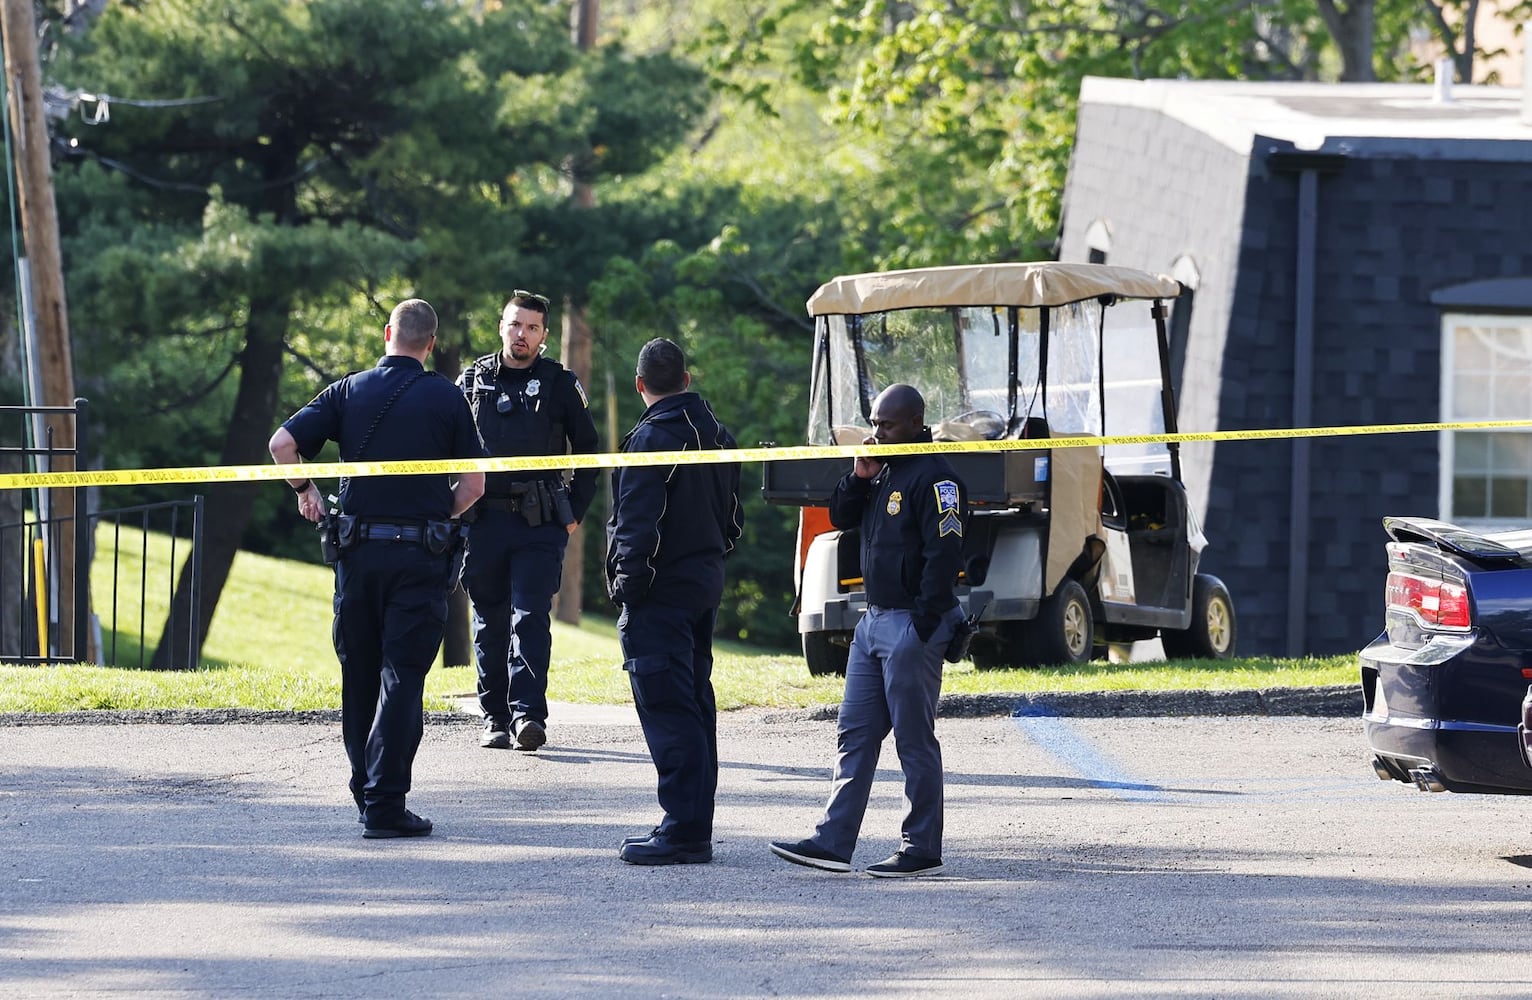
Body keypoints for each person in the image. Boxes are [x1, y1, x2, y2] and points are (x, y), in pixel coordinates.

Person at [269, 298, 486, 839]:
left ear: (388, 333)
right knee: (402, 675)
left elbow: (282, 444)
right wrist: (439, 514)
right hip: (420, 558)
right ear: (431, 344)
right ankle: (386, 804)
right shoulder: (449, 398)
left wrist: (306, 490)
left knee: (360, 672)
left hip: (358, 556)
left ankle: (364, 789)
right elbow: (476, 485)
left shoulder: (348, 390)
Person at [769, 383, 967, 877]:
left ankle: (921, 848)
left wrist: (923, 626)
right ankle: (833, 841)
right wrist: (858, 478)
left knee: (913, 740)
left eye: (887, 425)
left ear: (915, 423)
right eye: (874, 424)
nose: (877, 434)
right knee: (853, 736)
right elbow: (839, 517)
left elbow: (946, 556)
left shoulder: (937, 478)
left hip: (910, 626)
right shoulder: (881, 472)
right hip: (872, 620)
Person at [606, 338, 744, 866]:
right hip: (703, 583)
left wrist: (628, 586)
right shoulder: (717, 434)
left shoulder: (652, 440)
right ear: (686, 380)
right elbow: (733, 518)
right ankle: (689, 820)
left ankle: (685, 830)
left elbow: (637, 526)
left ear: (641, 386)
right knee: (692, 703)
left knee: (668, 706)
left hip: (660, 592)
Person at [457, 291, 600, 753]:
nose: (522, 335)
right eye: (516, 325)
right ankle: (494, 717)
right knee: (489, 621)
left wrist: (573, 514)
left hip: (540, 522)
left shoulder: (559, 383)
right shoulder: (472, 380)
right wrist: (453, 508)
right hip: (482, 521)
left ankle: (528, 717)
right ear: (501, 325)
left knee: (530, 619)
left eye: (533, 328)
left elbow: (590, 452)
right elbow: (443, 449)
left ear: (543, 334)